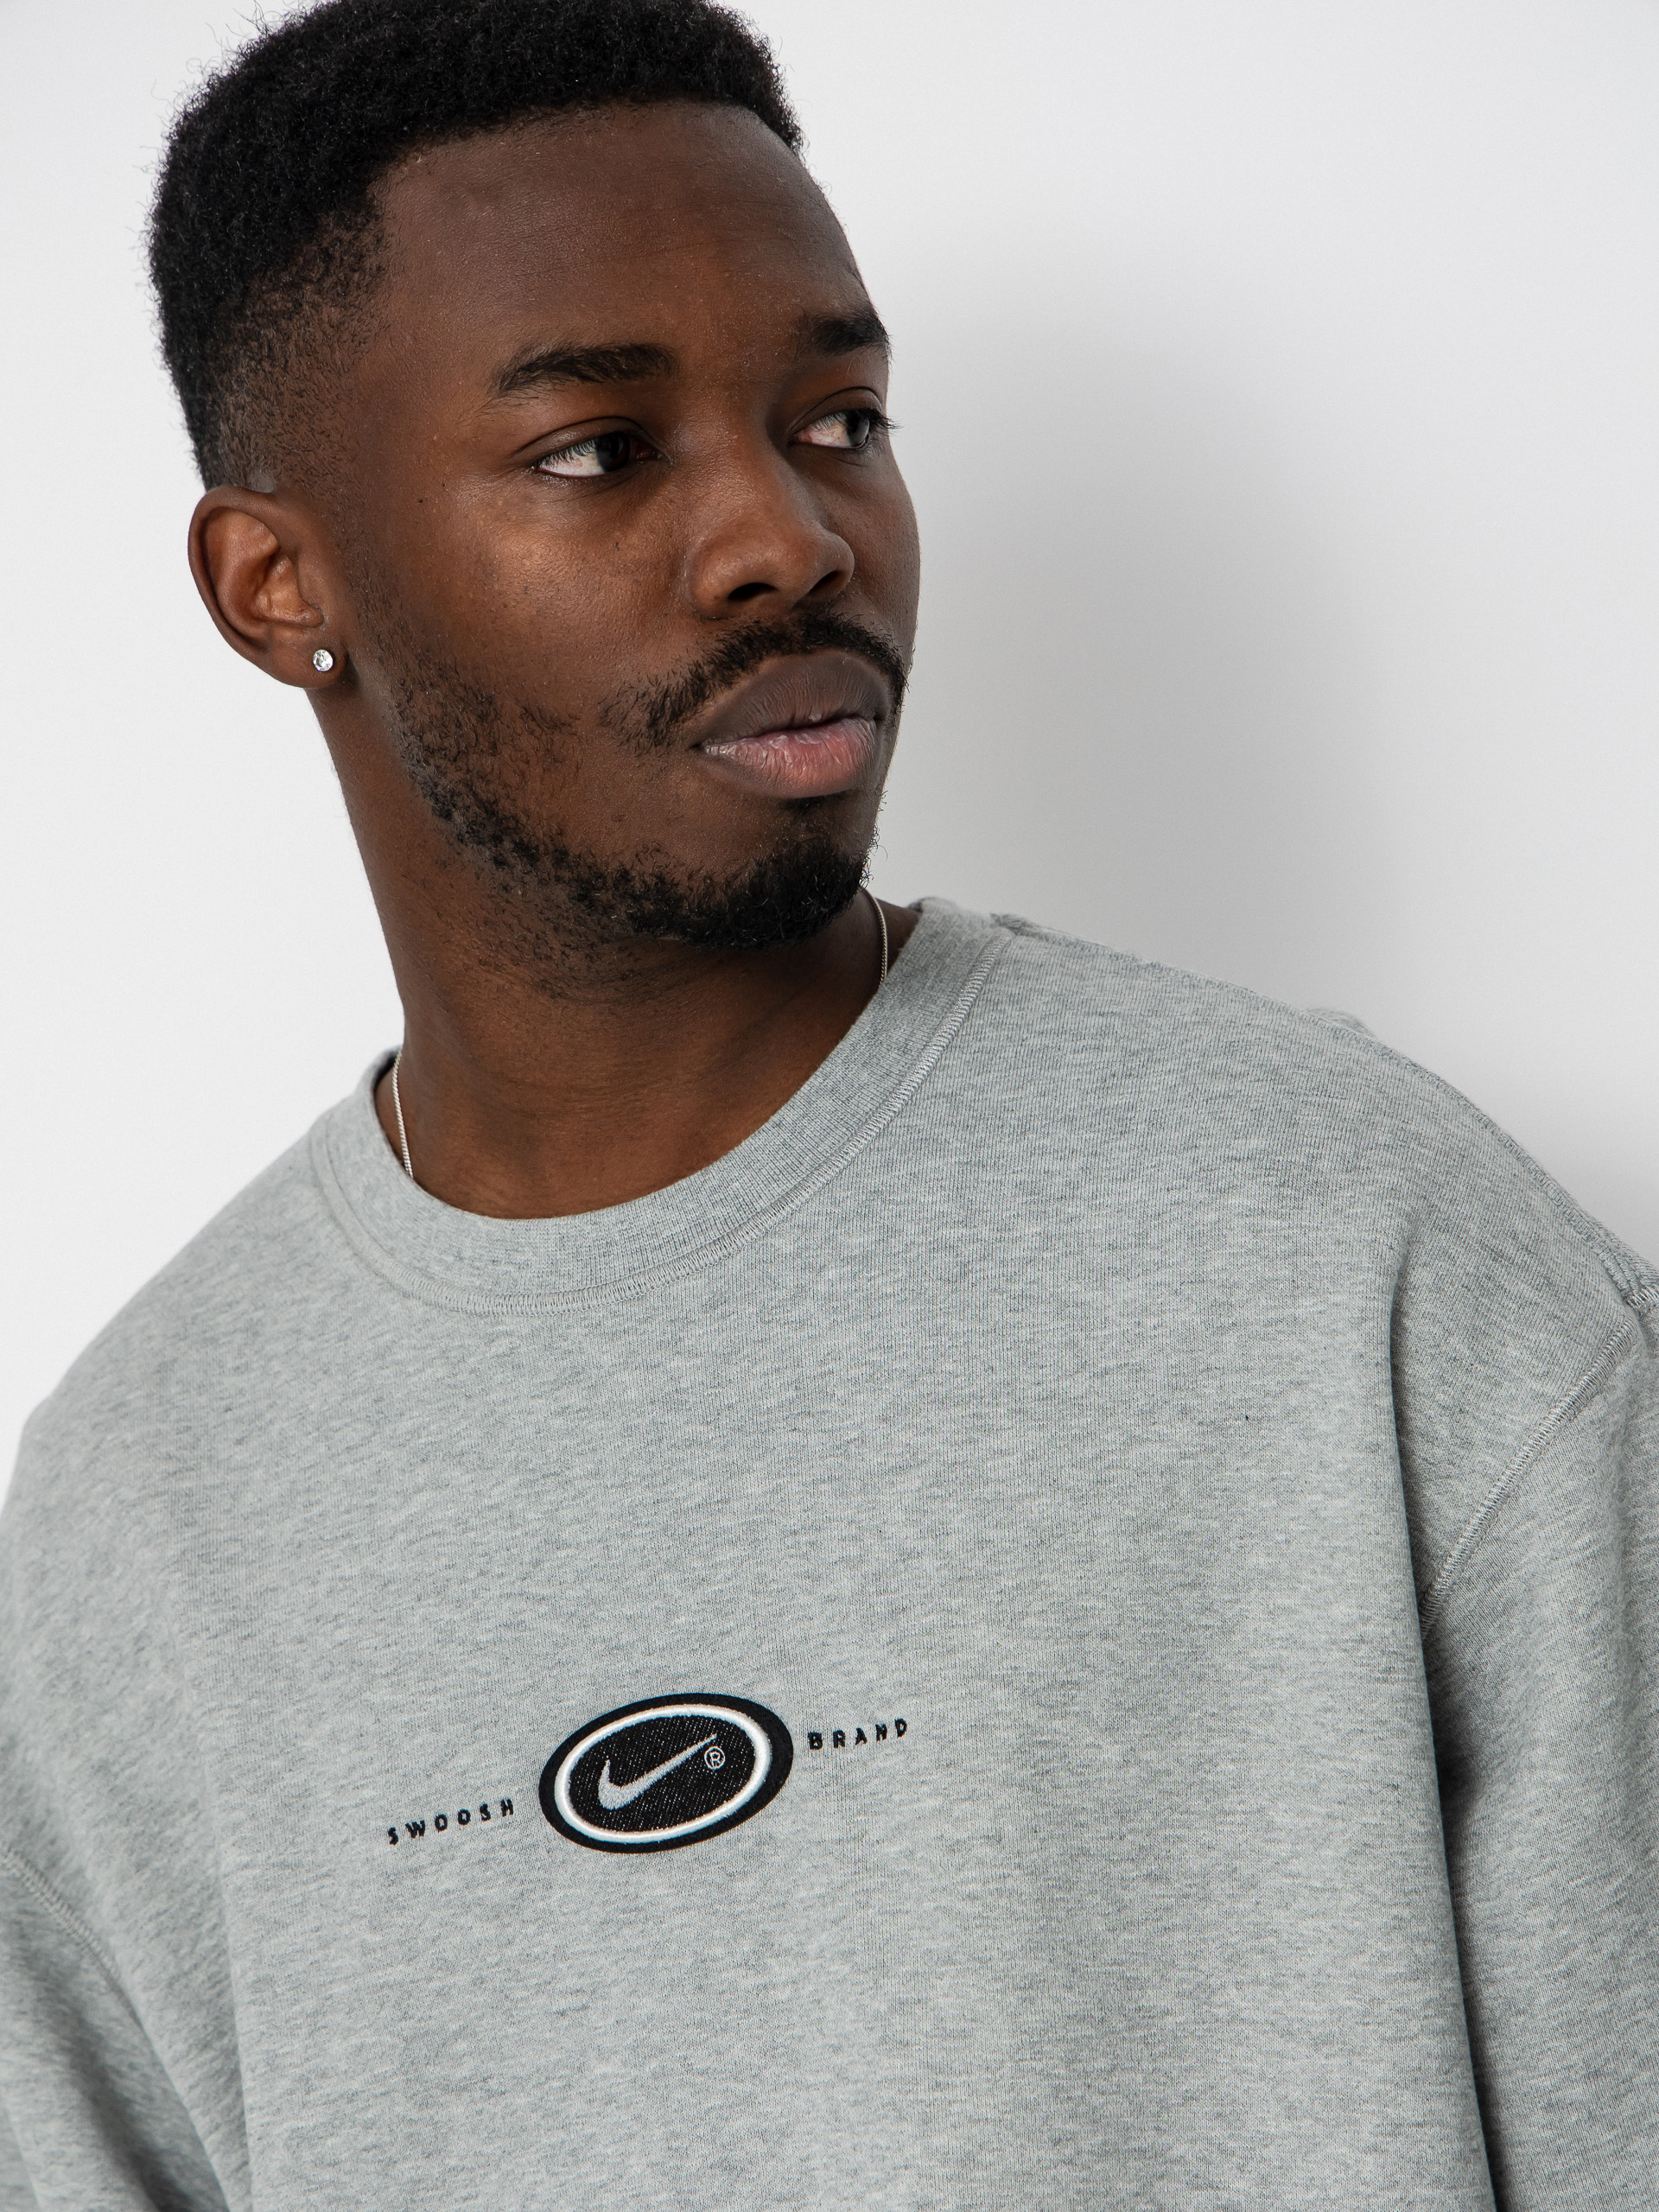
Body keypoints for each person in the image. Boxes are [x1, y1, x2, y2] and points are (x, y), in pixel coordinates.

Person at [1, 0, 1653, 2202]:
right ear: (277, 585)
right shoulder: (137, 1513)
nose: (787, 538)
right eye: (602, 448)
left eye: (839, 420)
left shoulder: (1361, 1255)